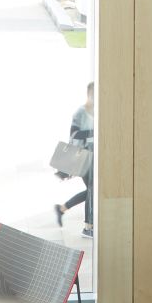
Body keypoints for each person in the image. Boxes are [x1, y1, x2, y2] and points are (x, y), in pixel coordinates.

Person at [54, 81, 94, 235]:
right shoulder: (80, 113)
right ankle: (88, 227)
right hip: (84, 157)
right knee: (93, 190)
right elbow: (74, 135)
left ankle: (62, 208)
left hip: (95, 157)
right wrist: (93, 132)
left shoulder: (97, 111)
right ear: (89, 94)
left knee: (93, 190)